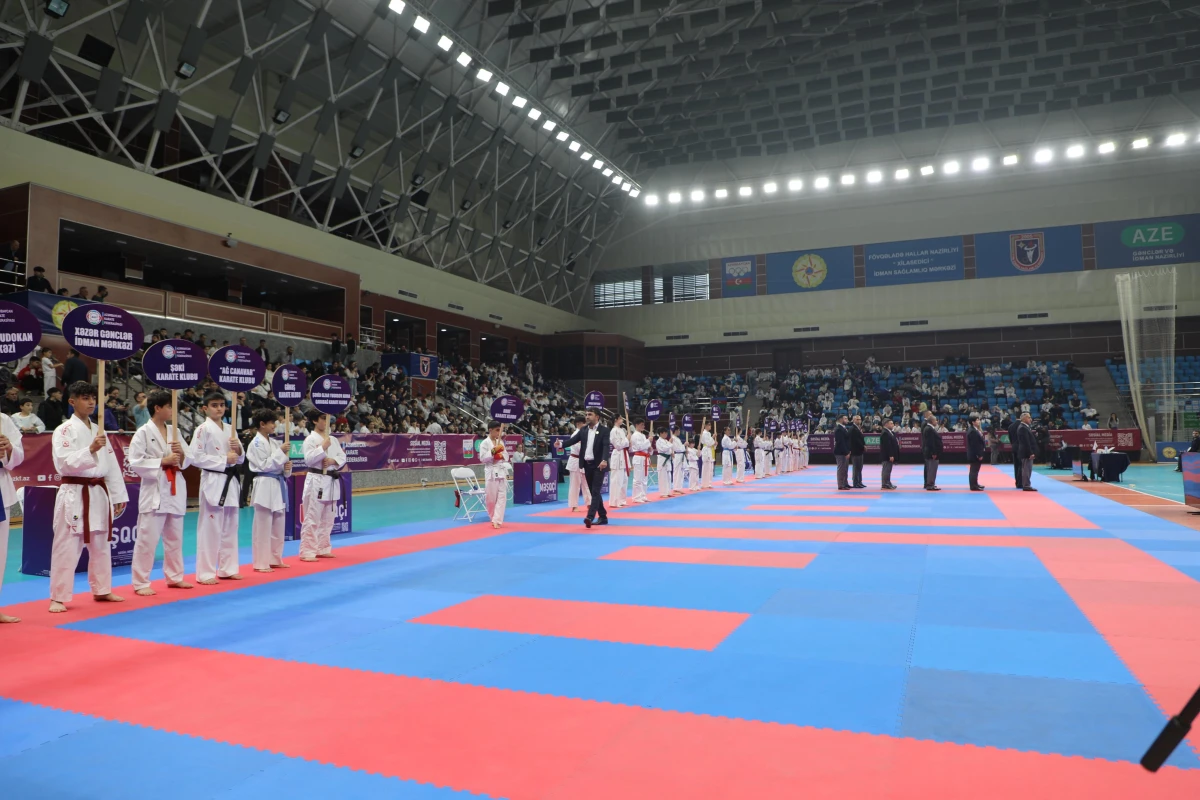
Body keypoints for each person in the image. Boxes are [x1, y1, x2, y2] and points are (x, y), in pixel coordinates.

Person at [48, 382, 129, 613]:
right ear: (72, 402)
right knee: (67, 545)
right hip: (75, 492)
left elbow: (111, 465)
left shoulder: (99, 429)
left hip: (98, 492)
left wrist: (117, 494)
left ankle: (102, 589)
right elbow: (63, 463)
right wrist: (90, 450)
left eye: (93, 397)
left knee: (101, 544)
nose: (91, 402)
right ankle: (58, 596)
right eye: (85, 398)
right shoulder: (64, 430)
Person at [128, 390, 193, 596]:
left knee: (175, 538)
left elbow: (187, 459)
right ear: (157, 408)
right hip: (155, 489)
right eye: (169, 406)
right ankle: (140, 582)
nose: (172, 410)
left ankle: (175, 577)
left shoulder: (175, 431)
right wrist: (161, 461)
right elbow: (135, 462)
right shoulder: (143, 432)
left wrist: (181, 454)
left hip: (174, 490)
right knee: (147, 539)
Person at [190, 391, 245, 584]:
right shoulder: (202, 429)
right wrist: (223, 459)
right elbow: (194, 457)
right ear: (205, 408)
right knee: (210, 528)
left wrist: (237, 449)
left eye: (222, 404)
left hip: (230, 481)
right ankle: (205, 573)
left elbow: (240, 457)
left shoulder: (230, 429)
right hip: (213, 479)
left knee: (231, 526)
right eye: (214, 405)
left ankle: (227, 568)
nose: (219, 408)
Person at [247, 409, 291, 572]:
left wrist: (287, 468)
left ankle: (275, 558)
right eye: (271, 422)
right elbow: (265, 465)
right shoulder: (256, 443)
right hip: (264, 483)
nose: (274, 425)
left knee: (279, 524)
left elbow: (282, 466)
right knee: (262, 526)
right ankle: (260, 563)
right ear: (262, 424)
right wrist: (281, 453)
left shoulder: (273, 442)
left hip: (278, 483)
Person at [300, 410, 346, 560]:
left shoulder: (332, 438)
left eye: (327, 418)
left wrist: (333, 461)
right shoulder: (310, 440)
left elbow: (342, 457)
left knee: (328, 518)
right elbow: (308, 460)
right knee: (312, 517)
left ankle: (323, 547)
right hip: (317, 479)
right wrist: (322, 448)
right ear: (314, 421)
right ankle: (307, 551)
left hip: (331, 480)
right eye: (322, 418)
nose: (326, 421)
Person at [560, 408, 610, 527]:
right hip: (587, 465)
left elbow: (606, 446)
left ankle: (590, 516)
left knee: (595, 491)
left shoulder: (604, 430)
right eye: (586, 415)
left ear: (597, 416)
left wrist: (604, 460)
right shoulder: (583, 430)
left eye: (590, 414)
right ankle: (603, 517)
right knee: (594, 493)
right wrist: (561, 444)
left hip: (599, 465)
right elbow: (572, 441)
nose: (587, 417)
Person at [0, 407, 23, 622]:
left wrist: (8, 449)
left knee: (0, 553)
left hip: (0, 490)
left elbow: (18, 456)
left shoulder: (2, 419)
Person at [478, 420, 510, 529]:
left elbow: (506, 456)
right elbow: (482, 458)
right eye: (497, 430)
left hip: (501, 471)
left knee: (502, 497)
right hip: (491, 472)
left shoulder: (500, 442)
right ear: (490, 430)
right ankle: (492, 517)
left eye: (500, 430)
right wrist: (492, 452)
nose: (499, 433)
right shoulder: (484, 443)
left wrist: (501, 455)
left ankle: (497, 520)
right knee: (491, 498)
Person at [564, 415, 591, 512]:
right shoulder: (575, 435)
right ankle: (574, 505)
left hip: (583, 461)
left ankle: (589, 503)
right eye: (583, 423)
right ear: (578, 424)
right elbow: (579, 449)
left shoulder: (585, 433)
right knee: (575, 484)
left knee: (586, 483)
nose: (585, 425)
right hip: (575, 461)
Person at [608, 417, 629, 508]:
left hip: (624, 455)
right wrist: (627, 440)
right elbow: (618, 445)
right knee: (616, 480)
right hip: (618, 455)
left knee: (624, 480)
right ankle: (614, 502)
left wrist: (627, 440)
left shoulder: (621, 430)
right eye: (620, 418)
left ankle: (621, 500)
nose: (622, 420)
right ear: (616, 419)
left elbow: (625, 444)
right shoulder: (613, 431)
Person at [629, 418, 650, 503]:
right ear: (636, 425)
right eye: (641, 425)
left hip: (645, 457)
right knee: (638, 478)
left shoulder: (643, 435)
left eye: (643, 425)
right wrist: (648, 441)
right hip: (638, 457)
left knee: (644, 478)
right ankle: (636, 497)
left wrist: (650, 448)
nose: (643, 426)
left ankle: (643, 495)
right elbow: (639, 447)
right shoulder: (635, 435)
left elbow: (645, 447)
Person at [1017, 412, 1038, 491]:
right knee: (1026, 469)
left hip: (1026, 452)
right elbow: (1026, 442)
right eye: (1029, 417)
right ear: (1024, 418)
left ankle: (1026, 484)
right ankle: (1026, 485)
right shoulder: (1022, 428)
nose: (1030, 419)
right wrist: (1030, 453)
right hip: (1026, 452)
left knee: (1027, 469)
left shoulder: (1025, 427)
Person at [922, 411, 942, 491]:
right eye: (936, 420)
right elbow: (931, 442)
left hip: (930, 452)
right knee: (931, 469)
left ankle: (930, 483)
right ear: (932, 421)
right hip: (931, 453)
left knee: (931, 469)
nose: (937, 421)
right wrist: (934, 453)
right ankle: (930, 484)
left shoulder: (930, 428)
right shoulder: (929, 429)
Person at [967, 415, 987, 491]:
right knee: (974, 470)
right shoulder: (972, 431)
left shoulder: (975, 430)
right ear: (973, 422)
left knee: (975, 470)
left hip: (975, 453)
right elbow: (975, 445)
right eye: (977, 420)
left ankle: (975, 483)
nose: (979, 421)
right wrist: (979, 455)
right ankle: (973, 486)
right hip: (974, 454)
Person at [879, 418, 899, 490]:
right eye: (891, 423)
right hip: (887, 455)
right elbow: (887, 446)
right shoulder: (885, 433)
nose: (893, 425)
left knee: (888, 470)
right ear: (886, 424)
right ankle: (884, 484)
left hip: (890, 454)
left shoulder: (890, 432)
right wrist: (890, 455)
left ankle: (888, 482)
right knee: (886, 470)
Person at [655, 427, 675, 499]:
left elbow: (668, 449)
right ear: (660, 433)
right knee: (663, 477)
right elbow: (663, 449)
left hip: (668, 460)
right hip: (662, 459)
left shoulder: (666, 441)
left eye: (666, 433)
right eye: (665, 433)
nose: (666, 434)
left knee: (668, 476)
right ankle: (663, 493)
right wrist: (670, 443)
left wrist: (671, 453)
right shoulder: (658, 441)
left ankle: (668, 491)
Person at [849, 414, 866, 488]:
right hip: (855, 451)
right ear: (853, 420)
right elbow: (855, 440)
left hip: (859, 451)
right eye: (857, 419)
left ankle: (859, 481)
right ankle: (855, 482)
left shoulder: (858, 428)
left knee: (859, 467)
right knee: (856, 467)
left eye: (860, 419)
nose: (859, 421)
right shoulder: (853, 429)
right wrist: (863, 446)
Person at [834, 415, 851, 490]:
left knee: (845, 468)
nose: (847, 420)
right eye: (845, 418)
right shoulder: (839, 429)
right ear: (840, 420)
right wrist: (846, 452)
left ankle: (845, 482)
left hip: (845, 451)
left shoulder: (844, 428)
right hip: (840, 452)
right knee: (841, 468)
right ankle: (840, 485)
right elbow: (841, 442)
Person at [1007, 415, 1023, 489]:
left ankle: (1017, 482)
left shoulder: (1011, 426)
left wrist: (1013, 444)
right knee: (1022, 465)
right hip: (1021, 447)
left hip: (1014, 447)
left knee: (1016, 466)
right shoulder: (1022, 426)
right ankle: (1021, 482)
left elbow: (1010, 438)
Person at [699, 420, 715, 489]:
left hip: (709, 450)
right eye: (708, 425)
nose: (710, 426)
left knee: (710, 468)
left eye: (710, 425)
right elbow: (708, 443)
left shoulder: (708, 433)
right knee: (706, 468)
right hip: (706, 450)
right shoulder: (704, 433)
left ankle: (708, 483)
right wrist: (713, 437)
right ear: (705, 426)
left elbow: (711, 443)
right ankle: (704, 484)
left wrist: (714, 442)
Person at [671, 427, 685, 493]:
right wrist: (684, 445)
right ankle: (675, 488)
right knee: (676, 472)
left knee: (680, 472)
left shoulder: (677, 439)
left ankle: (679, 488)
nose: (679, 431)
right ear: (676, 430)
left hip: (681, 455)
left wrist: (684, 448)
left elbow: (681, 448)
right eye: (679, 430)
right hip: (677, 455)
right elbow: (677, 448)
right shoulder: (673, 438)